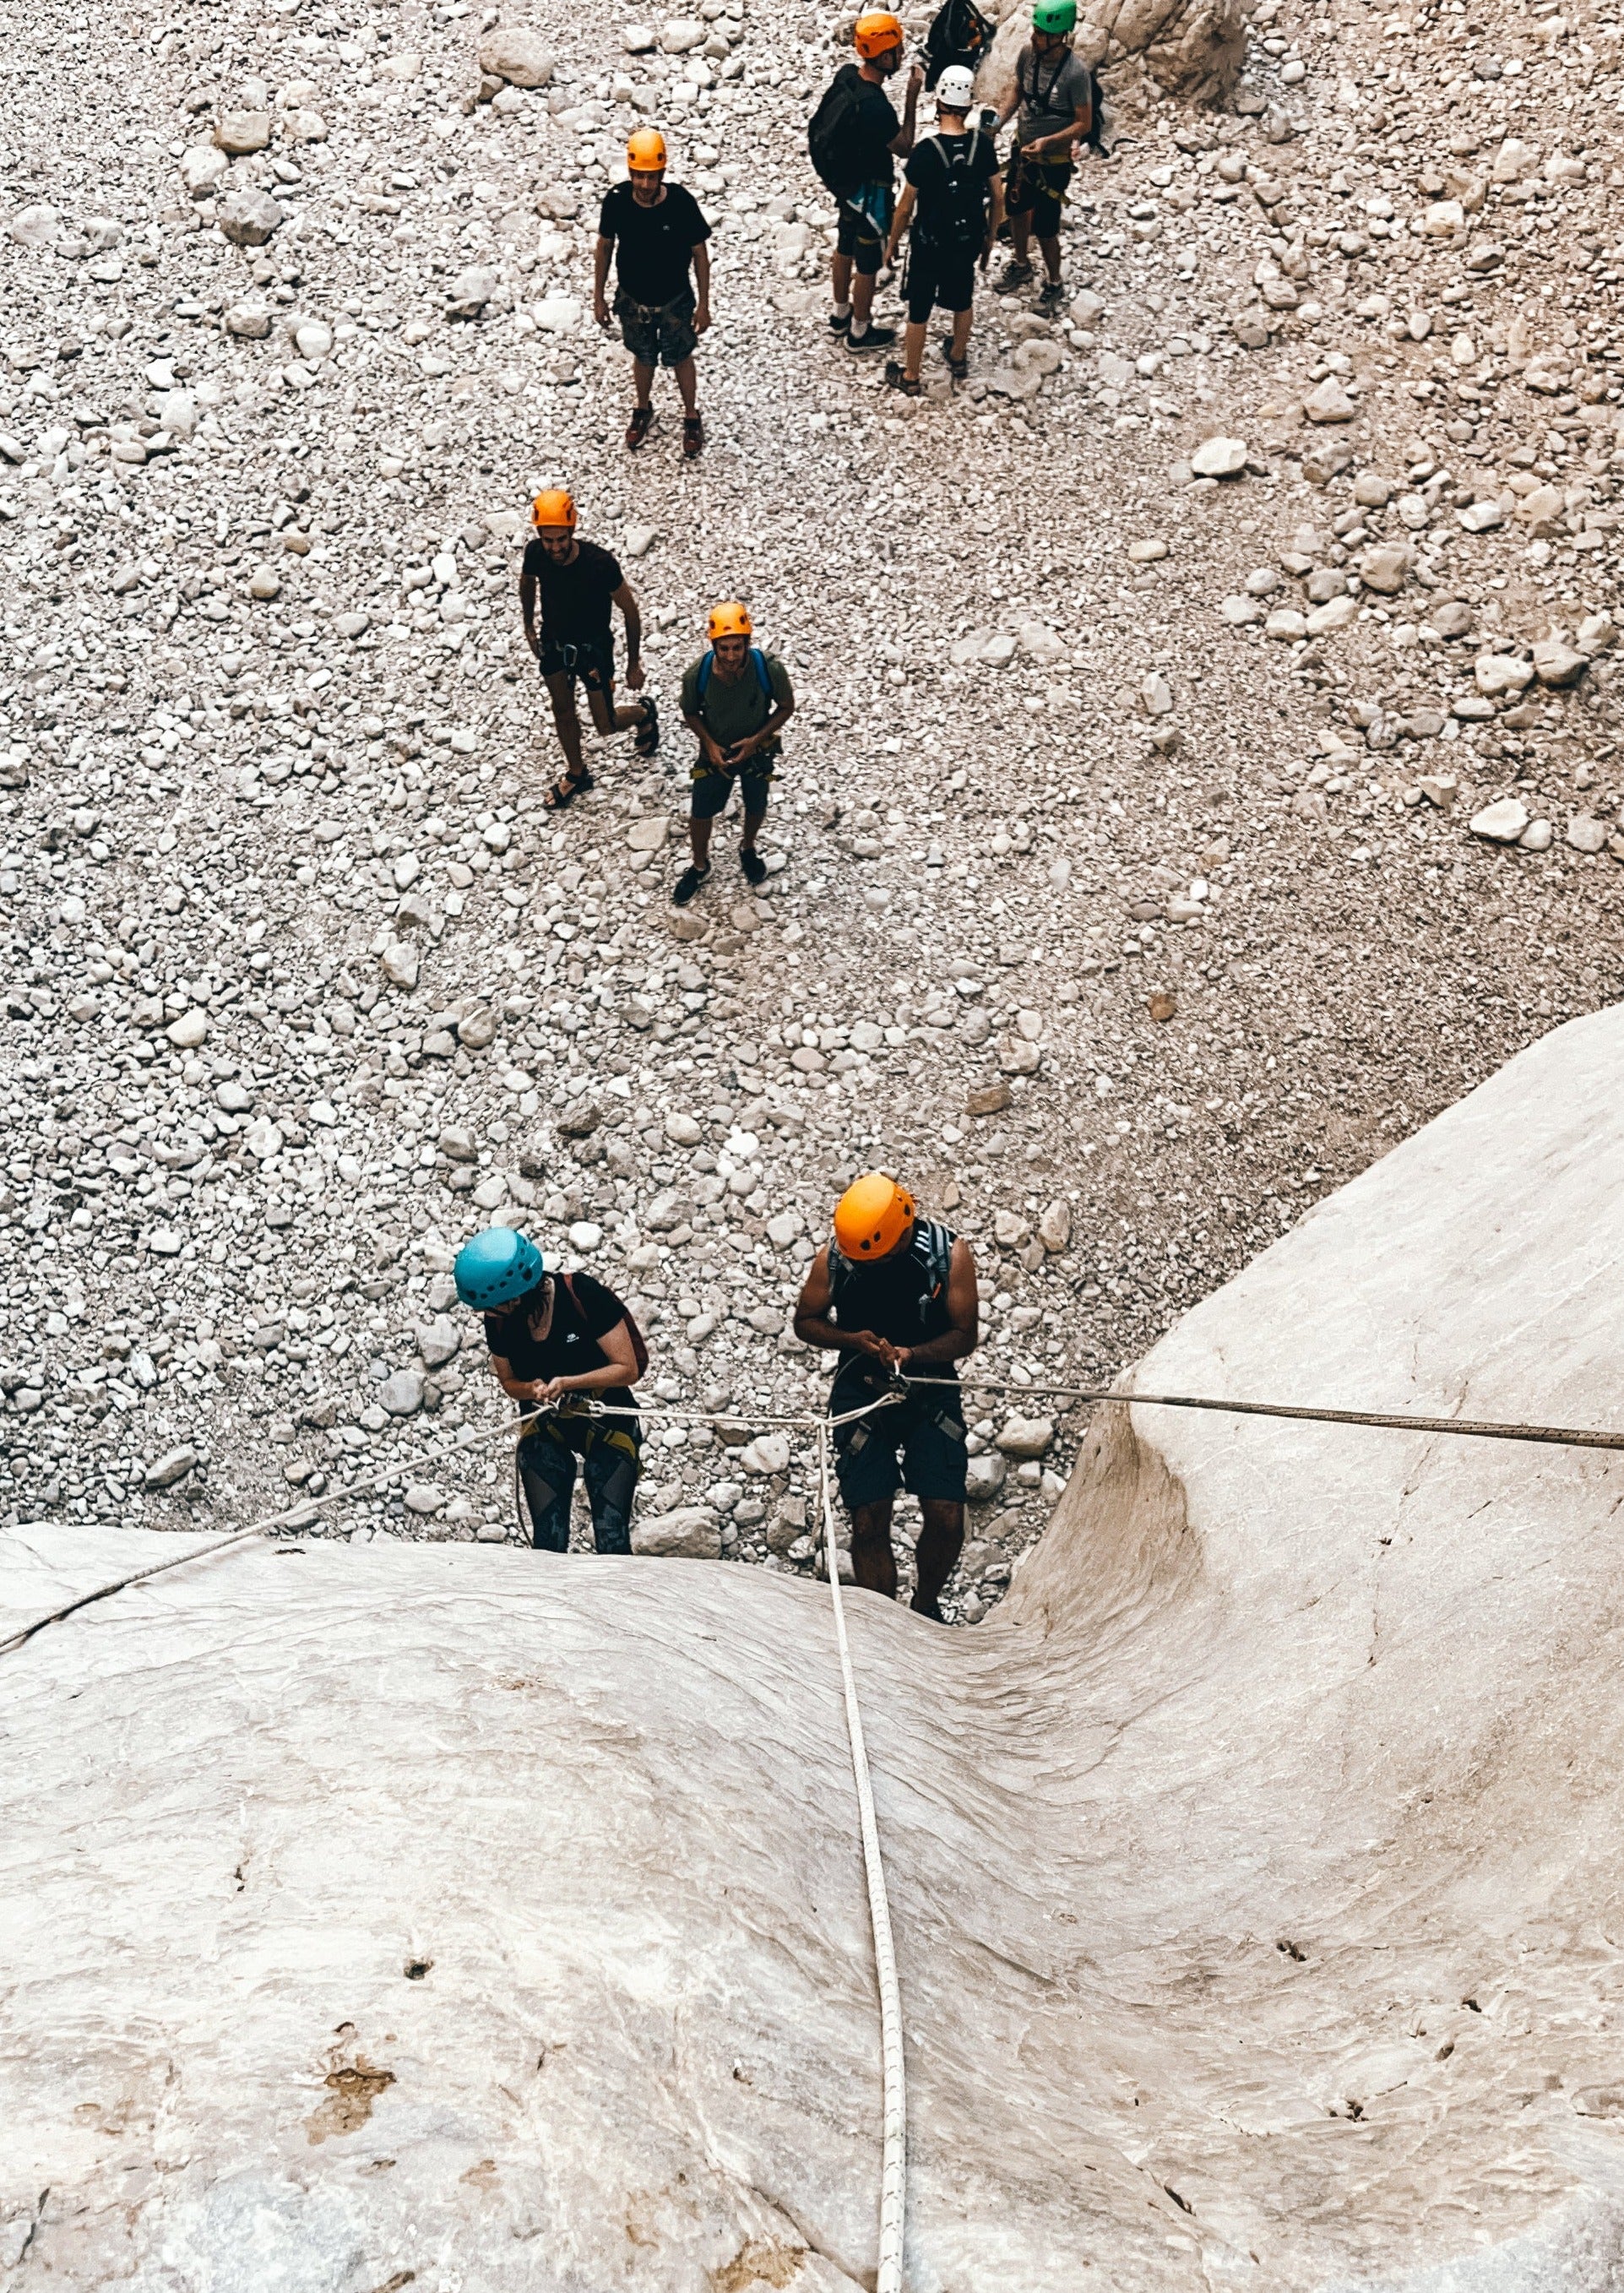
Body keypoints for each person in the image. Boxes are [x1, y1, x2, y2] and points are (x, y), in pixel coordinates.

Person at [793, 1174, 980, 1622]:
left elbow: (964, 1335)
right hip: (862, 1388)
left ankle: (924, 1605)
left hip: (931, 1388)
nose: (872, 1265)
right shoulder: (836, 1258)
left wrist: (912, 1354)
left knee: (946, 1513)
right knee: (869, 1518)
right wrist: (854, 1341)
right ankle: (885, 1623)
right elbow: (806, 1321)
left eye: (881, 1255)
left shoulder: (947, 1256)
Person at [454, 1225, 645, 1556]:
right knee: (547, 1544)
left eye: (491, 1306)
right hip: (546, 1425)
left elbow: (627, 1369)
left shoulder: (582, 1295)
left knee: (612, 1538)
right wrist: (532, 1388)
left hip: (608, 1418)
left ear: (514, 1297)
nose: (484, 1315)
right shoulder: (499, 1320)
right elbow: (510, 1383)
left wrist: (569, 1383)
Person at [519, 487, 660, 812]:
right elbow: (527, 583)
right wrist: (528, 624)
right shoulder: (535, 553)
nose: (554, 547)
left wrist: (633, 664)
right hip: (554, 642)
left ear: (572, 531)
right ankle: (577, 772)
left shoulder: (600, 564)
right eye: (548, 539)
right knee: (562, 709)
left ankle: (643, 712)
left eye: (560, 539)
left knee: (605, 724)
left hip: (593, 649)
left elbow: (630, 610)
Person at [882, 63, 1003, 395]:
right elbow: (997, 196)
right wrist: (990, 237)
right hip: (967, 239)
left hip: (929, 242)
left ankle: (911, 376)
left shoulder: (926, 152)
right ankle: (958, 356)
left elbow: (906, 207)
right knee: (963, 298)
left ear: (938, 103)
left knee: (919, 308)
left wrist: (892, 243)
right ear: (968, 105)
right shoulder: (983, 145)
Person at [594, 128, 713, 460]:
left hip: (675, 299)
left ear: (663, 172)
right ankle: (642, 408)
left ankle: (691, 415)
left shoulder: (680, 203)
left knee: (681, 357)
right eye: (639, 177)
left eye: (651, 177)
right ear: (630, 172)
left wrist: (704, 305)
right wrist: (598, 296)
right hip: (632, 299)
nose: (645, 185)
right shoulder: (616, 201)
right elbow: (604, 247)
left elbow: (700, 253)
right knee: (642, 356)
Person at [808, 10, 922, 354]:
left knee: (844, 246)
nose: (901, 55)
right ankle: (859, 331)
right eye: (898, 50)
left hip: (843, 185)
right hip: (868, 190)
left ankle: (840, 314)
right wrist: (912, 98)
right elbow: (903, 148)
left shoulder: (847, 77)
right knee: (868, 260)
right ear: (884, 55)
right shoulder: (876, 107)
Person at [673, 601, 796, 906]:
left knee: (756, 802)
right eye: (724, 648)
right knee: (700, 811)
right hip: (715, 753)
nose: (730, 656)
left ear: (747, 644)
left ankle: (748, 848)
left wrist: (755, 741)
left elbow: (786, 706)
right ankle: (700, 865)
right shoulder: (696, 676)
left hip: (757, 753)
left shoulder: (769, 669)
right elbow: (690, 712)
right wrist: (710, 745)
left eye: (736, 648)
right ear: (713, 644)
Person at [992, 0, 1094, 307]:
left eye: (1039, 34)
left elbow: (1083, 123)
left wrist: (1049, 142)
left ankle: (1054, 281)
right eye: (1035, 32)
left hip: (1052, 162)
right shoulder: (1028, 55)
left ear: (1058, 36)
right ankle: (1021, 264)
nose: (1034, 38)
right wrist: (997, 123)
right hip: (1024, 150)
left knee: (1047, 228)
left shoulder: (1075, 74)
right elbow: (1018, 91)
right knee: (1018, 211)